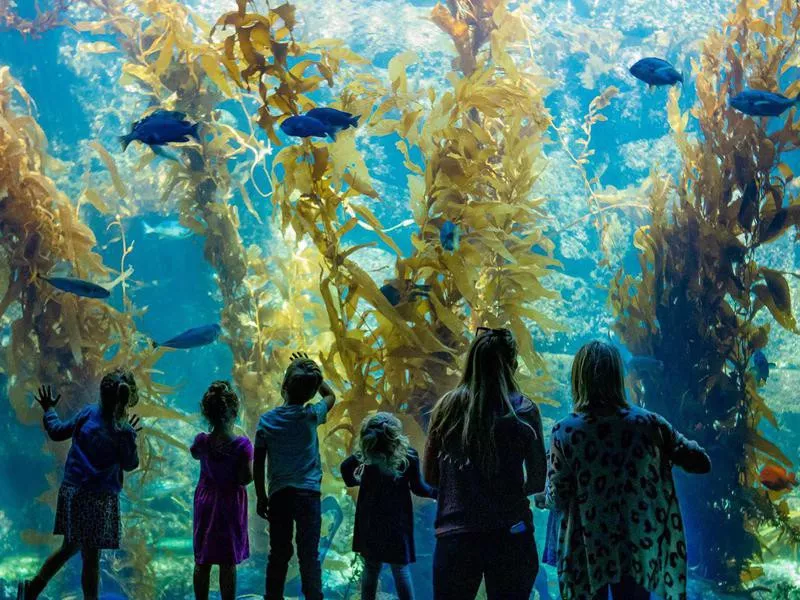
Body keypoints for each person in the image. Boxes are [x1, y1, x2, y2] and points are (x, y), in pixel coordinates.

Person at [545, 340, 711, 600]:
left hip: (585, 549)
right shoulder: (649, 424)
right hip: (636, 544)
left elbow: (559, 496)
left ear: (579, 379)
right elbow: (701, 462)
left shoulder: (565, 431)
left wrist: (545, 497)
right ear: (618, 377)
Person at [423, 327, 547, 600]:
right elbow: (538, 480)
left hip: (456, 537)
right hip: (511, 534)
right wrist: (507, 491)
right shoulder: (524, 411)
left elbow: (430, 475)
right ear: (512, 365)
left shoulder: (447, 408)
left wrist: (465, 486)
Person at [18, 370, 142, 600]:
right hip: (98, 499)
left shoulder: (87, 413)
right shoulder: (124, 431)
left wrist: (49, 410)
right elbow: (130, 464)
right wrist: (131, 438)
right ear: (127, 399)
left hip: (73, 493)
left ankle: (32, 588)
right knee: (91, 558)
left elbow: (57, 432)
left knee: (69, 547)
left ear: (102, 395)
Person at [254, 352, 336, 600]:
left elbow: (258, 464)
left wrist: (261, 496)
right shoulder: (311, 415)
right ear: (311, 394)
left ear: (284, 386)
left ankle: (273, 597)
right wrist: (315, 374)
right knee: (308, 554)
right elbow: (331, 396)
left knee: (278, 553)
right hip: (308, 496)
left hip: (279, 496)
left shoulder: (266, 421)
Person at [340, 412, 437, 600]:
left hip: (370, 521)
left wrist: (354, 482)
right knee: (400, 569)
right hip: (397, 523)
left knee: (371, 567)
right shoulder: (407, 456)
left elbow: (345, 468)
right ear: (395, 435)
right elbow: (418, 488)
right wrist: (437, 492)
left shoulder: (365, 455)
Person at [191, 381, 253, 600]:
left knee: (203, 560)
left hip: (206, 502)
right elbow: (246, 478)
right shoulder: (242, 445)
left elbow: (195, 453)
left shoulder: (201, 441)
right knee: (227, 562)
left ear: (207, 414)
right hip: (230, 505)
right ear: (235, 412)